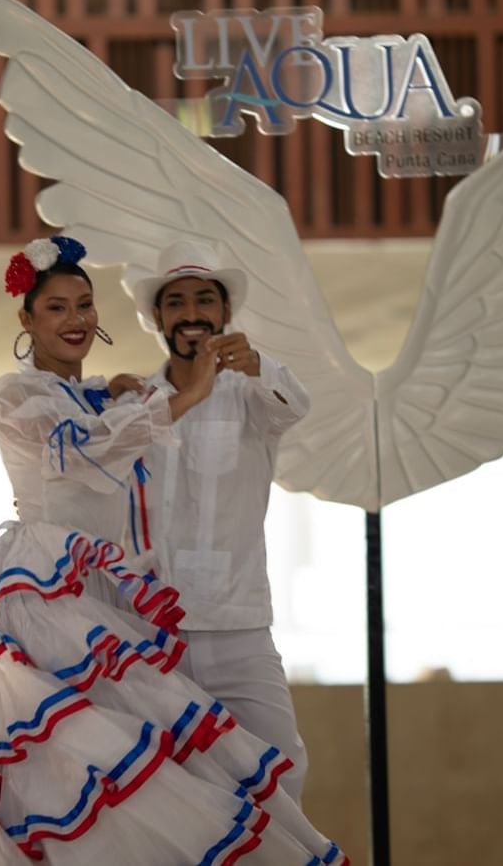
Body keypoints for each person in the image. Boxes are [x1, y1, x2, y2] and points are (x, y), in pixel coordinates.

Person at [0, 236, 346, 864]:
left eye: (84, 304)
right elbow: (83, 451)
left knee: (150, 783)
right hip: (51, 607)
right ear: (26, 320)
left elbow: (290, 404)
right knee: (65, 773)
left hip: (120, 610)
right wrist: (178, 398)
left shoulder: (122, 397)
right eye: (56, 308)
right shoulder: (22, 394)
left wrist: (154, 391)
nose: (77, 318)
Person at [123, 239, 312, 803]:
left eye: (204, 300)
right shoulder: (137, 401)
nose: (191, 314)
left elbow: (294, 405)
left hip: (240, 626)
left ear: (224, 313)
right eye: (175, 302)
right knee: (162, 787)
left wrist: (260, 365)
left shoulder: (252, 393)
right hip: (155, 631)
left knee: (279, 773)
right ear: (158, 317)